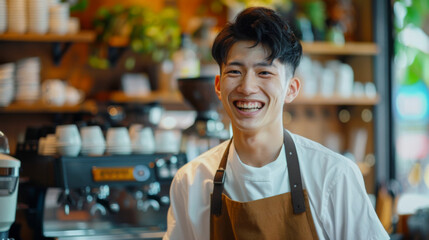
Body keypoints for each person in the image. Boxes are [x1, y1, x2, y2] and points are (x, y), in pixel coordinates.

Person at [163, 6, 389, 240]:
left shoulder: (333, 176)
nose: (247, 87)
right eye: (235, 71)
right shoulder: (191, 182)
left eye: (264, 73)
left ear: (291, 89)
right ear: (219, 86)